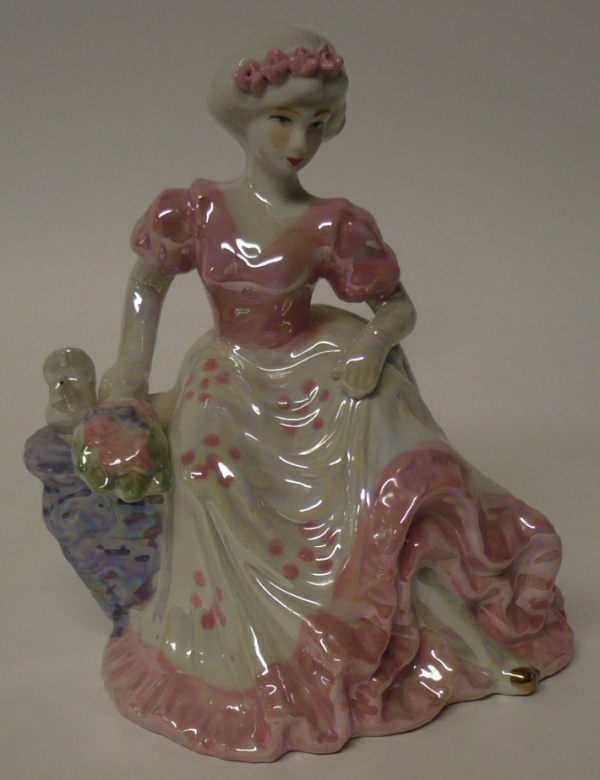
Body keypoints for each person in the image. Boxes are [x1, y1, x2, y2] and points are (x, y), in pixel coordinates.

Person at [75, 27, 571, 761]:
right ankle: (248, 651)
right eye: (282, 120)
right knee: (209, 473)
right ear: (244, 120)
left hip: (317, 363)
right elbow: (148, 284)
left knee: (394, 477)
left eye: (315, 123)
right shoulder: (197, 209)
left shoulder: (333, 222)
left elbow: (396, 308)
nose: (298, 141)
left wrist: (373, 345)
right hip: (229, 372)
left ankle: (458, 633)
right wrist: (127, 366)